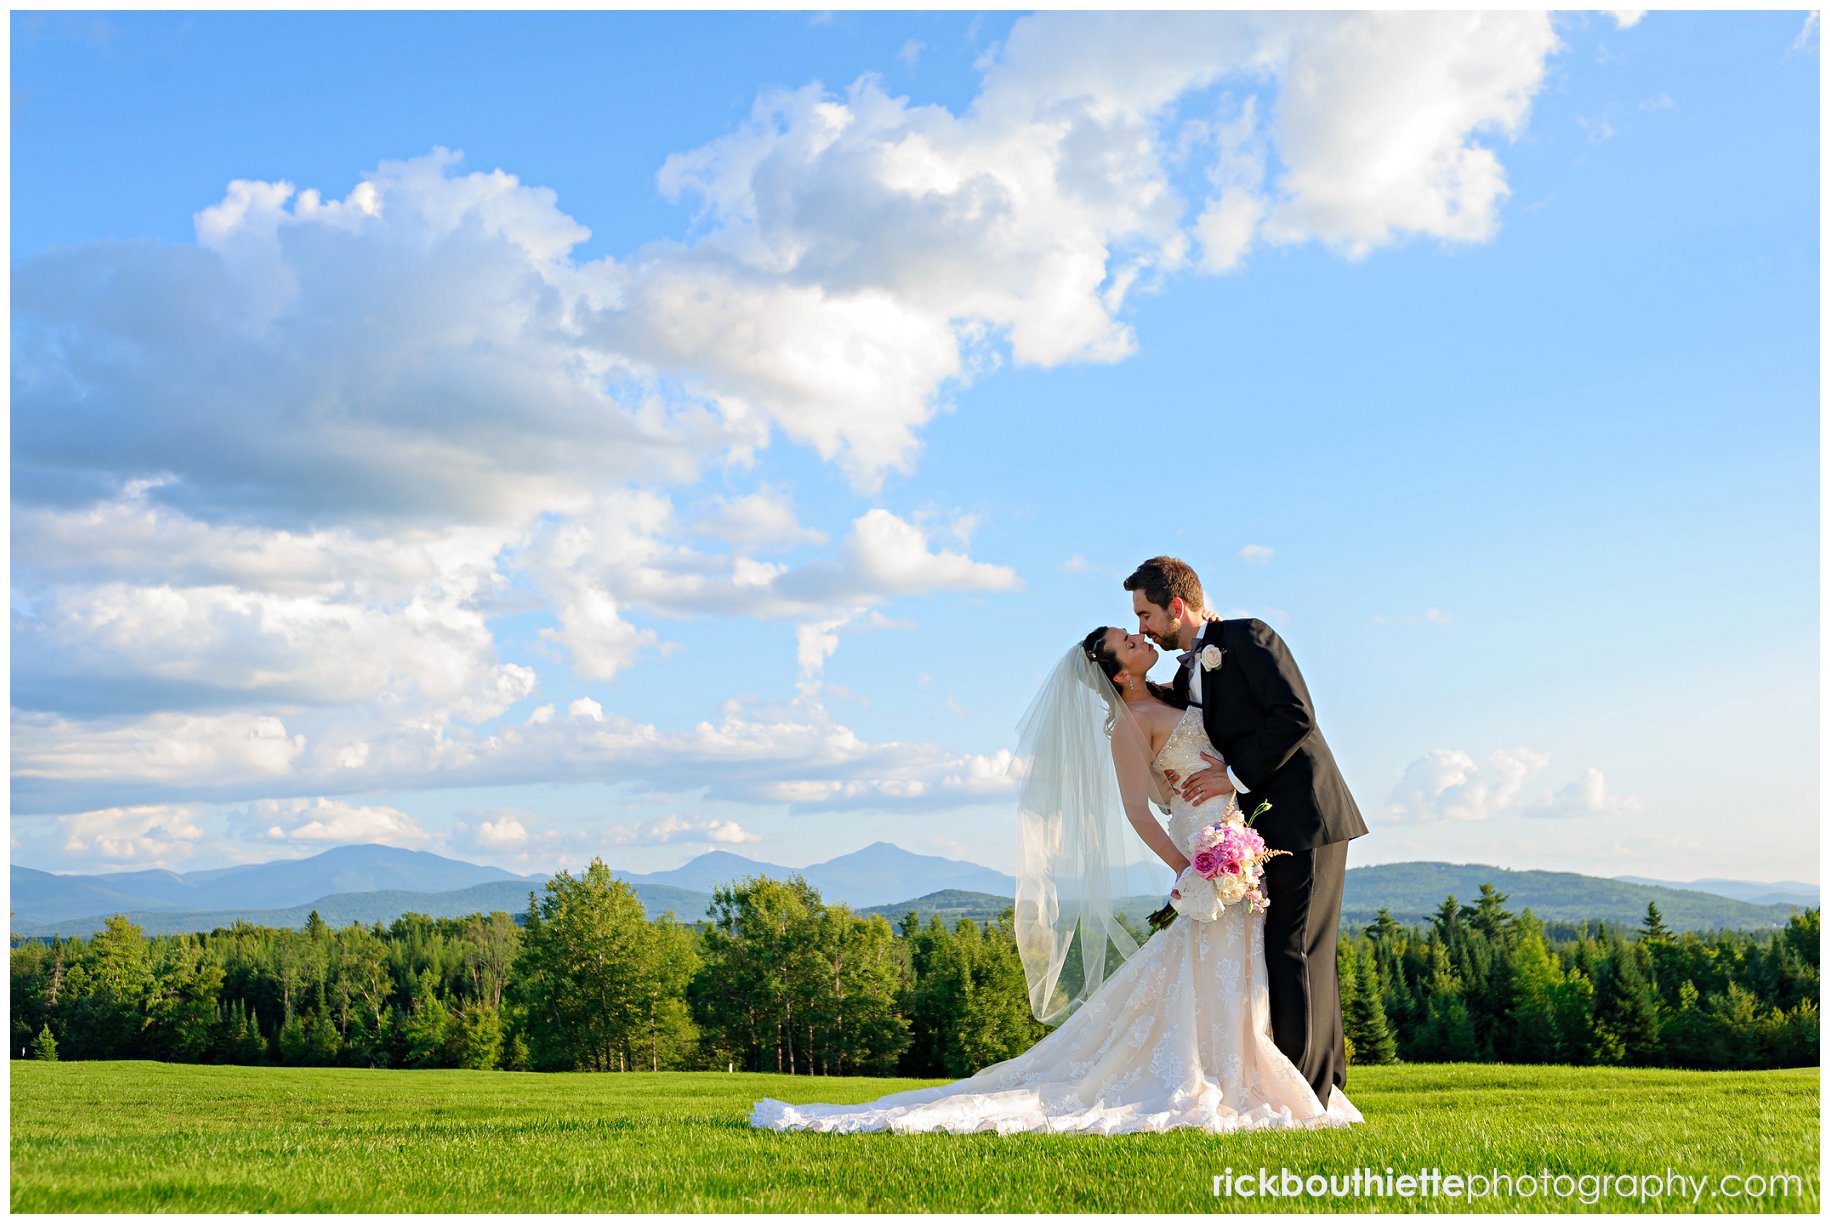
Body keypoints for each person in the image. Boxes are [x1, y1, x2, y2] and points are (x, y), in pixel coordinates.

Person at [747, 620, 1362, 1135]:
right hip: (1209, 850)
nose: (1142, 635)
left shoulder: (1177, 695)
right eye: (1130, 638)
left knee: (1255, 959)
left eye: (1139, 626)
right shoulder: (1126, 723)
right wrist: (1189, 869)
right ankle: (1235, 1075)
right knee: (1226, 957)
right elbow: (1139, 807)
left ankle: (1275, 1071)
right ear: (1118, 672)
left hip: (1239, 839)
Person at [1126, 555, 1368, 1107]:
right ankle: (1323, 1087)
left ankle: (1304, 1095)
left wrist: (1231, 775)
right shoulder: (1189, 670)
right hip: (1257, 830)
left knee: (1295, 950)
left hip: (1306, 816)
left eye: (1145, 613)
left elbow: (1295, 715)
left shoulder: (1249, 636)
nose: (1141, 625)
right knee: (1295, 950)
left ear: (1176, 607)